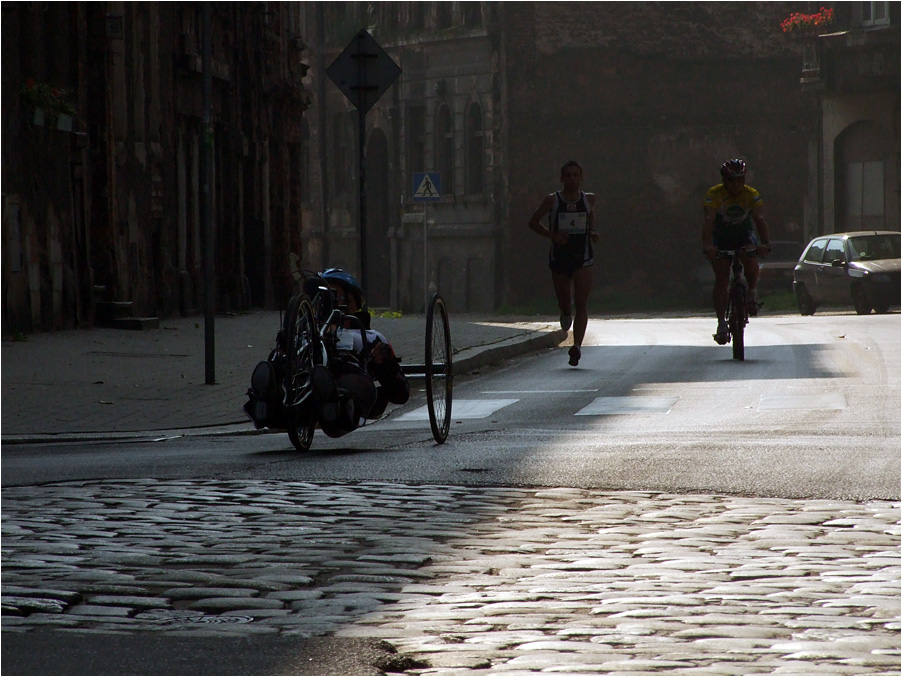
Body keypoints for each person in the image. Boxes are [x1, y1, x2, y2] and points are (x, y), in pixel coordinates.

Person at [310, 268, 410, 437]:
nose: (328, 301)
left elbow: (401, 394)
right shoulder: (304, 333)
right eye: (323, 296)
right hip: (305, 380)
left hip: (351, 377)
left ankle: (335, 402)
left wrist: (386, 363)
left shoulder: (372, 337)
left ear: (353, 302)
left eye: (334, 296)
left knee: (353, 387)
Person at [528, 160, 598, 366]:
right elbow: (532, 222)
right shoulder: (553, 200)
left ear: (581, 177)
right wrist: (553, 236)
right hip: (560, 257)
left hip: (583, 256)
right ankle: (565, 311)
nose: (572, 179)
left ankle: (576, 346)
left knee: (582, 301)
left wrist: (592, 232)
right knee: (565, 301)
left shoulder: (589, 199)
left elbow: (590, 216)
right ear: (561, 178)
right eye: (568, 175)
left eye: (576, 175)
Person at [702, 159, 771, 345]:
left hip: (743, 235)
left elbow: (759, 218)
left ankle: (752, 291)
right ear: (724, 181)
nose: (736, 185)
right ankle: (721, 323)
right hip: (720, 236)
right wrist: (708, 245)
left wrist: (764, 243)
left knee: (749, 260)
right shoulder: (714, 194)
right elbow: (709, 220)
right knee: (722, 277)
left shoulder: (751, 195)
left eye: (740, 180)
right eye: (731, 181)